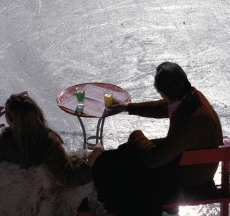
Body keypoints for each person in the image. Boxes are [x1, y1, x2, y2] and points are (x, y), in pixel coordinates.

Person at [88, 62, 223, 216]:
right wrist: (127, 107)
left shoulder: (191, 120)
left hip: (191, 181)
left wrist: (136, 135)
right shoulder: (190, 96)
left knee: (130, 167)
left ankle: (109, 200)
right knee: (129, 154)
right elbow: (162, 107)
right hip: (189, 165)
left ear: (163, 93)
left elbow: (154, 159)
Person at [0, 91, 92, 187]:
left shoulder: (4, 143)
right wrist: (95, 154)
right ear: (37, 113)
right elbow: (71, 178)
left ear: (10, 120)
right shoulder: (49, 142)